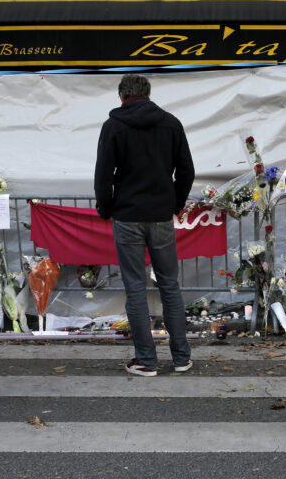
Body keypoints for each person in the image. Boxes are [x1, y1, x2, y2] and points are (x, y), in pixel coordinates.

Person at [94, 74, 194, 375]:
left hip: (127, 217)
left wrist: (106, 208)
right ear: (149, 93)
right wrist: (173, 204)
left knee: (136, 288)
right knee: (169, 285)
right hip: (161, 215)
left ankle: (146, 361)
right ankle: (181, 358)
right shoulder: (171, 123)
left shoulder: (113, 126)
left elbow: (103, 175)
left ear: (121, 95)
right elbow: (186, 172)